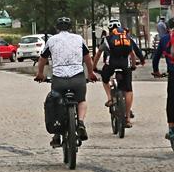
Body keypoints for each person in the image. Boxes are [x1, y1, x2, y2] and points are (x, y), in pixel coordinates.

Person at [34, 16, 98, 147]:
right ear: (71, 28)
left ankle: (57, 135)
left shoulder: (51, 40)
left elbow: (42, 59)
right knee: (81, 100)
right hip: (77, 77)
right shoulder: (79, 39)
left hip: (59, 78)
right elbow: (87, 59)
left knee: (57, 102)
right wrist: (91, 73)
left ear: (57, 28)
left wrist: (40, 74)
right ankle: (80, 123)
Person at [92, 18, 144, 128]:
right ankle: (128, 118)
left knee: (105, 78)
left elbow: (98, 54)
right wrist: (134, 65)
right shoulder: (126, 38)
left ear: (110, 29)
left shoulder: (107, 39)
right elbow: (133, 53)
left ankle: (110, 98)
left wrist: (94, 67)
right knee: (128, 90)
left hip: (111, 64)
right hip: (125, 65)